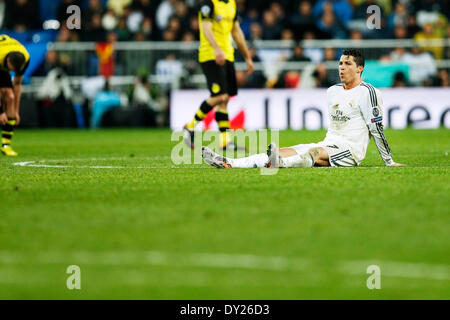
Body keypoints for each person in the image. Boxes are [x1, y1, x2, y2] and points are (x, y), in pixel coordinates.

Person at [202, 49, 406, 169]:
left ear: (360, 68)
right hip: (329, 143)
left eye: (348, 64)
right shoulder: (332, 91)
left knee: (313, 152)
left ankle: (279, 164)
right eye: (340, 63)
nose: (342, 67)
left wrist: (389, 161)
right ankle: (229, 162)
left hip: (350, 151)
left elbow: (376, 129)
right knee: (286, 150)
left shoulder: (369, 92)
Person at [183, 0, 254, 150]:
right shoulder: (209, 4)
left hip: (228, 55)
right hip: (211, 55)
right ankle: (190, 126)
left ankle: (225, 141)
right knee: (220, 96)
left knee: (225, 99)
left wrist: (247, 56)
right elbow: (205, 27)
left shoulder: (231, 4)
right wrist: (216, 49)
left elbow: (236, 31)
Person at [0, 35, 30, 156]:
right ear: (8, 61)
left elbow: (17, 84)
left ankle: (6, 145)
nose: (12, 72)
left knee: (11, 97)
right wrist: (1, 111)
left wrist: (16, 111)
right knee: (5, 92)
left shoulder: (25, 59)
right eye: (11, 69)